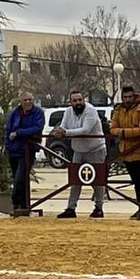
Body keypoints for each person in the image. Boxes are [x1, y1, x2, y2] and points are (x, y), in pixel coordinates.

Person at [52, 89, 105, 218]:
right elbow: (63, 127)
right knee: (75, 180)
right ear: (70, 102)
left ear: (84, 100)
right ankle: (71, 208)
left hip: (95, 149)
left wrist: (66, 133)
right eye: (75, 101)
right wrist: (58, 131)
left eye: (80, 100)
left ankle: (99, 208)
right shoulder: (68, 112)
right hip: (78, 150)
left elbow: (86, 130)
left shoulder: (91, 110)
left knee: (97, 181)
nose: (78, 103)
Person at [110, 86, 140, 219]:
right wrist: (125, 132)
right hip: (126, 151)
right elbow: (112, 128)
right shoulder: (119, 110)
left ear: (134, 96)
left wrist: (124, 132)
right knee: (136, 181)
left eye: (130, 97)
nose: (127, 100)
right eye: (125, 97)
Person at [5, 92, 44, 216]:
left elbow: (37, 128)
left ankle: (18, 205)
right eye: (25, 100)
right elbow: (8, 130)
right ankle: (22, 206)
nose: (28, 102)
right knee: (17, 178)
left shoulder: (38, 112)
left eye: (30, 99)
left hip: (28, 150)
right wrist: (8, 145)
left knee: (20, 178)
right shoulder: (14, 113)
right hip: (14, 150)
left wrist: (19, 133)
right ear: (20, 101)